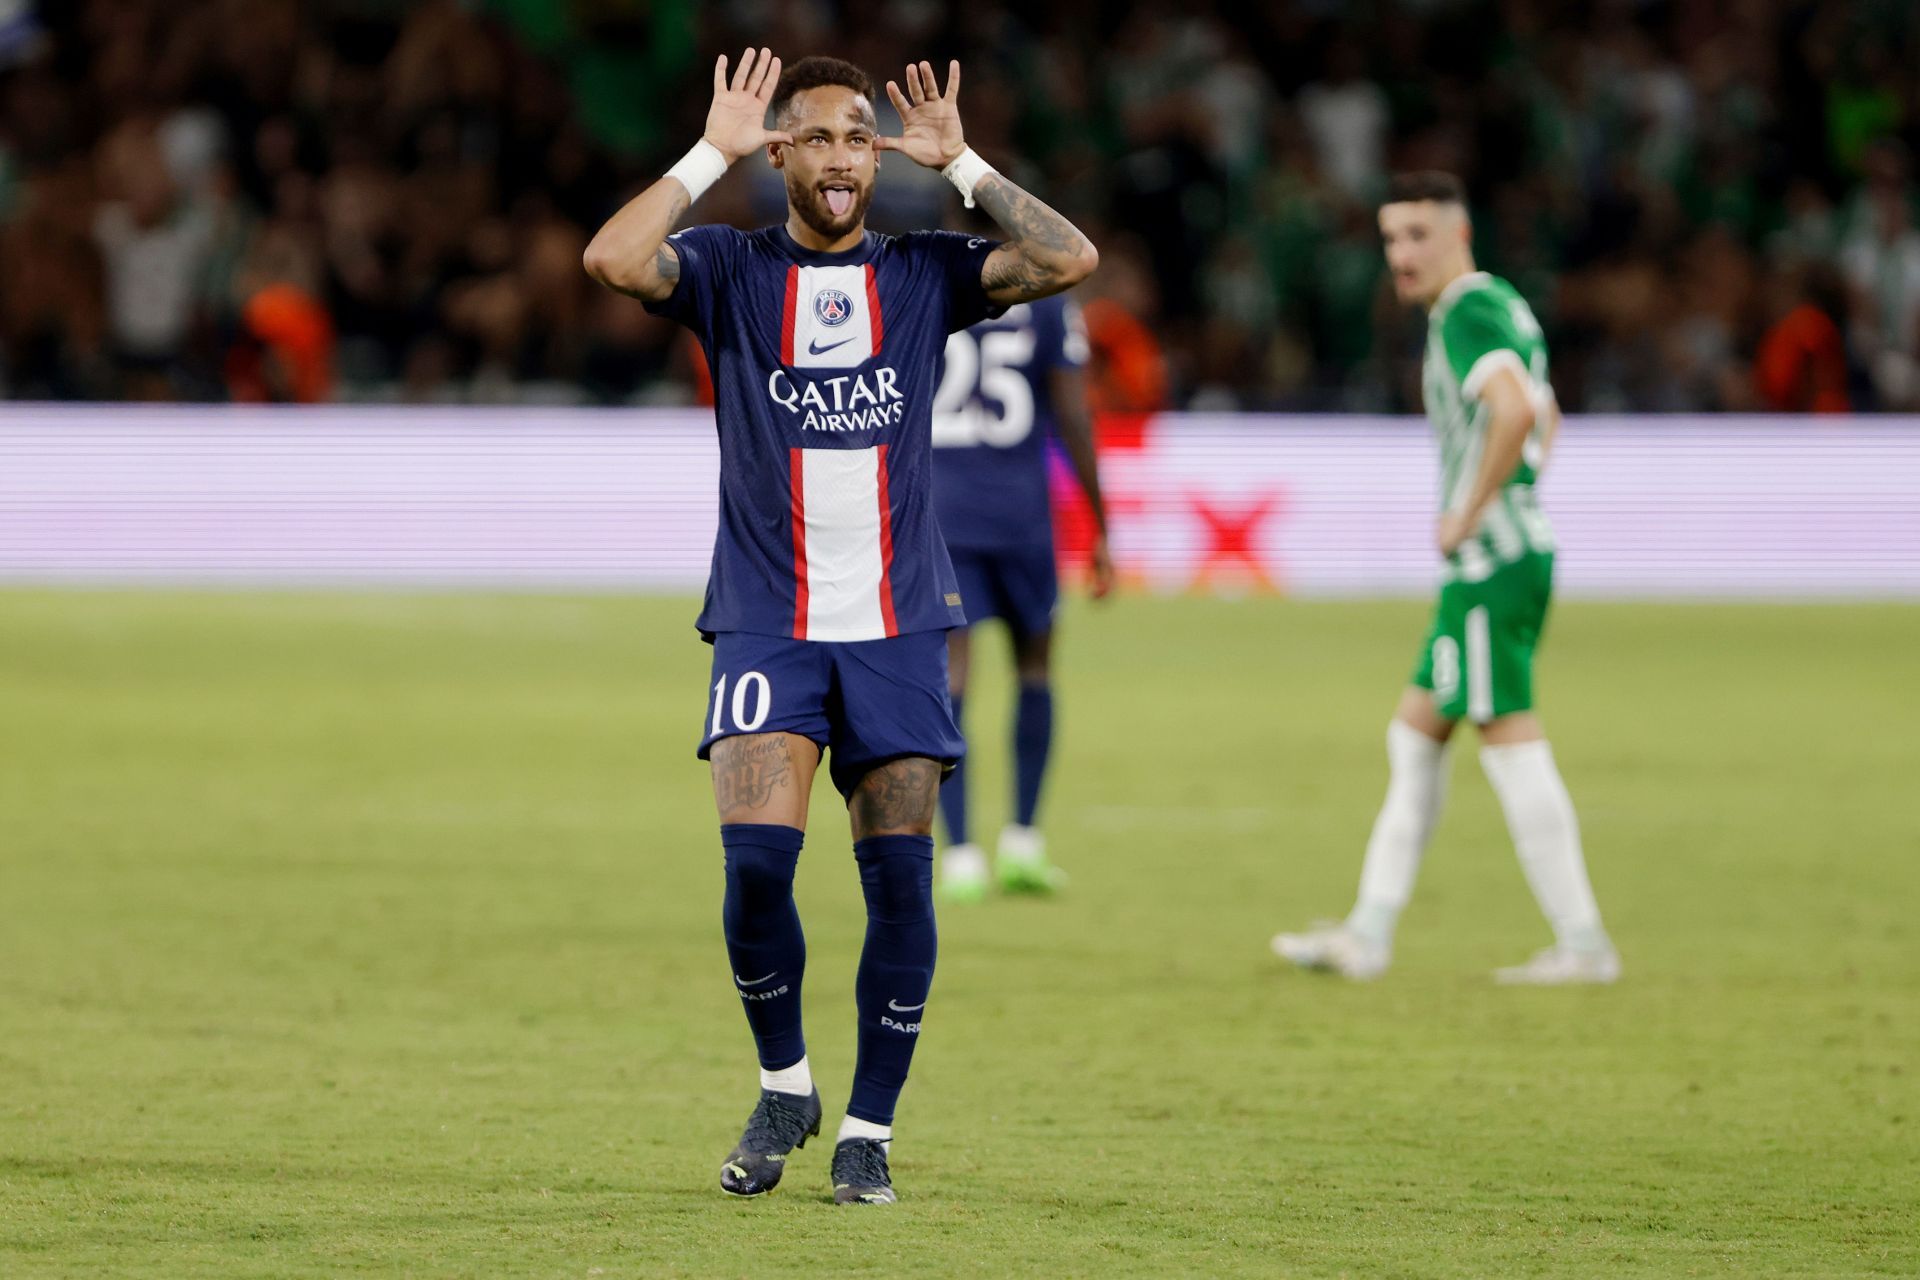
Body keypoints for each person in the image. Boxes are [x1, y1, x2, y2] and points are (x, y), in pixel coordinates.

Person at [582, 50, 1097, 1204]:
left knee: (900, 888)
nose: (840, 158)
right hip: (768, 619)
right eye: (815, 137)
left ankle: (867, 1129)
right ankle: (786, 1084)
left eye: (858, 137)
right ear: (780, 157)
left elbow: (1070, 258)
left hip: (901, 623)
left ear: (877, 154)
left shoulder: (924, 272)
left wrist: (958, 158)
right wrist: (706, 151)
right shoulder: (725, 266)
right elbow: (613, 257)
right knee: (757, 869)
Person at [1271, 171, 1619, 986]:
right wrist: (1518, 493)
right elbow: (1546, 410)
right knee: (1415, 736)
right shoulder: (1502, 304)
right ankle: (1368, 932)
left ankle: (1584, 943)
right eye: (1391, 238)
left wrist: (1470, 510)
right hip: (1504, 558)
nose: (1401, 254)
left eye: (1418, 235)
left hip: (1489, 565)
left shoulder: (1464, 310)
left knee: (1508, 739)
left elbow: (1516, 410)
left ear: (1459, 236)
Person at [930, 287, 1112, 901]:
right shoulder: (1047, 305)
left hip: (943, 515)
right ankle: (1024, 841)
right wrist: (1100, 525)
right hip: (1022, 519)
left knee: (951, 676)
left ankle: (959, 856)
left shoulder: (929, 288)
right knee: (1034, 666)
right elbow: (1073, 412)